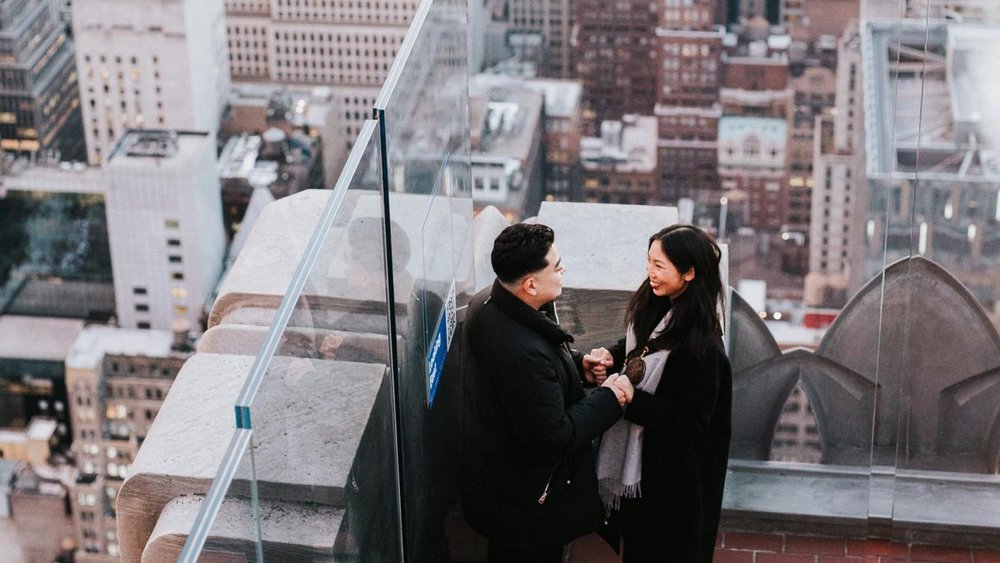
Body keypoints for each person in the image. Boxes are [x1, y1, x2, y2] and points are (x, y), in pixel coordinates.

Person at [461, 223, 632, 563]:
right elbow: (554, 436)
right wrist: (611, 398)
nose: (563, 270)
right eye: (556, 266)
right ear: (531, 284)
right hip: (528, 508)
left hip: (499, 489)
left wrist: (578, 366)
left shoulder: (488, 303)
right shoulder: (522, 354)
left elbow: (531, 374)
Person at [587, 224, 732, 562]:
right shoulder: (657, 307)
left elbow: (692, 420)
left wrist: (633, 400)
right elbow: (642, 351)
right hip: (644, 475)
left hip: (674, 486)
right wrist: (611, 358)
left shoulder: (704, 346)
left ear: (689, 273)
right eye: (649, 262)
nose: (650, 273)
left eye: (659, 265)